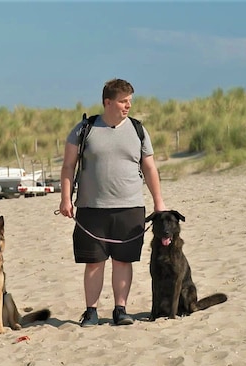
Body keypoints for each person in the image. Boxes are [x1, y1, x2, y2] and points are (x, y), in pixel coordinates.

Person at [58, 78, 167, 327]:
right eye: (122, 101)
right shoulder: (84, 129)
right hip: (91, 208)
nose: (128, 106)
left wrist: (158, 202)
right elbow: (67, 166)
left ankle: (121, 309)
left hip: (130, 207)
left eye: (130, 101)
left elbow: (149, 168)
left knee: (123, 260)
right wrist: (65, 198)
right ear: (108, 102)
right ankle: (91, 311)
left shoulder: (138, 130)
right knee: (94, 262)